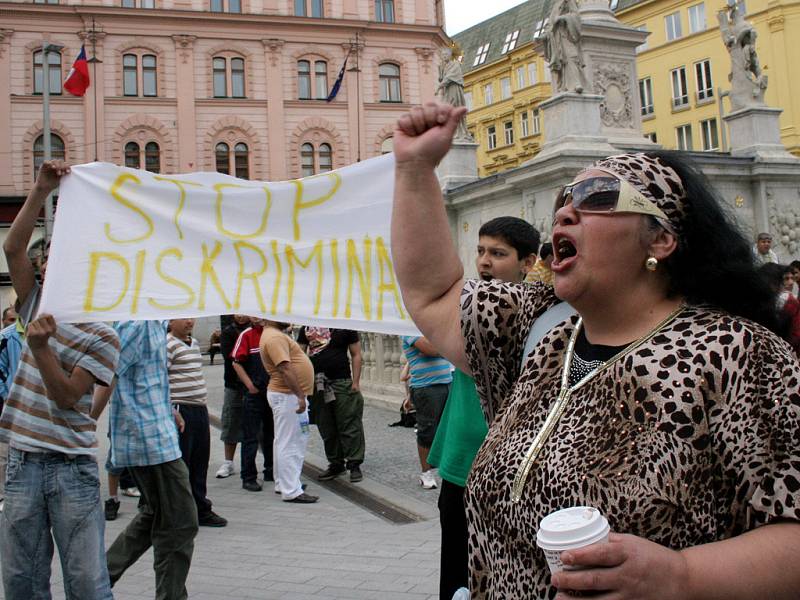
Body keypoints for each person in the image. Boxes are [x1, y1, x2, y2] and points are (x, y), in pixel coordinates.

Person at [391, 101, 800, 599]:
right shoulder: (537, 330)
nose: (565, 209)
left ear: (661, 239)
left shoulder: (739, 354)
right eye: (566, 198)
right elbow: (433, 294)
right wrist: (414, 169)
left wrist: (681, 576)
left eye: (598, 196)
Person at [0, 160, 121, 599]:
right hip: (23, 463)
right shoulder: (35, 303)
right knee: (21, 582)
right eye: (47, 258)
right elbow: (12, 249)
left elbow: (70, 397)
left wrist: (40, 349)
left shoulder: (102, 334)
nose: (48, 264)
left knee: (87, 583)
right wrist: (41, 189)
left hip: (71, 468)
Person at [427, 216, 539, 600]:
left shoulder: (542, 321)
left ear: (529, 263)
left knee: (506, 572)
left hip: (511, 469)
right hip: (462, 463)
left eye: (498, 253)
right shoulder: (466, 309)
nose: (484, 261)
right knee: (455, 572)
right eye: (480, 251)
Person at [103, 319, 198, 600]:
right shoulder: (139, 323)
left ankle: (95, 583)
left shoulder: (154, 323)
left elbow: (147, 376)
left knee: (154, 514)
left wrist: (170, 408)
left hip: (156, 433)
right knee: (180, 523)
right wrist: (86, 422)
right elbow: (107, 372)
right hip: (147, 439)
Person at [167, 318, 227, 527]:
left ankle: (200, 508)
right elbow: (160, 378)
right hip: (181, 409)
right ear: (170, 321)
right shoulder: (167, 345)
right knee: (183, 463)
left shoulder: (192, 344)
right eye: (184, 317)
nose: (190, 321)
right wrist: (170, 409)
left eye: (192, 316)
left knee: (200, 461)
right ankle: (180, 512)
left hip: (199, 408)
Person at [297, 327, 366, 483]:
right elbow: (299, 356)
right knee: (326, 424)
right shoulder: (306, 327)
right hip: (317, 383)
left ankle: (354, 463)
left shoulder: (343, 325)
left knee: (349, 422)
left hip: (342, 381)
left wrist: (355, 382)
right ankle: (336, 463)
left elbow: (356, 354)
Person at [260, 320, 318, 503]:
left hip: (285, 396)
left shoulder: (273, 334)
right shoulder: (274, 337)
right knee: (291, 443)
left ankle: (284, 482)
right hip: (288, 396)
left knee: (283, 441)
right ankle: (291, 490)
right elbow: (285, 368)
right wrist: (300, 396)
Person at [401, 335, 452, 490]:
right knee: (427, 431)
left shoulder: (430, 329)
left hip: (447, 382)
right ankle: (426, 473)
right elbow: (430, 349)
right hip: (426, 388)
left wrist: (438, 347)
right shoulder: (408, 330)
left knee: (447, 429)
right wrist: (443, 347)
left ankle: (445, 468)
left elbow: (439, 348)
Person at [232, 317, 274, 491]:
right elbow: (236, 362)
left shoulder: (274, 334)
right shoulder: (247, 335)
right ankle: (248, 476)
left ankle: (271, 469)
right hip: (254, 394)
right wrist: (249, 385)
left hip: (273, 392)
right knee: (250, 435)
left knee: (272, 434)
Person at [215, 314, 250, 478]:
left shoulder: (257, 330)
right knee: (230, 421)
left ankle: (265, 463)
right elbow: (230, 357)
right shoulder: (228, 332)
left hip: (255, 385)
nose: (242, 316)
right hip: (234, 385)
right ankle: (228, 462)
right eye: (239, 312)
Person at [543, 0, 587, 93]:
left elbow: (576, 15)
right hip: (557, 38)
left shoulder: (568, 1)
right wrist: (543, 36)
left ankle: (576, 83)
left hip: (567, 35)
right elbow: (549, 24)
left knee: (572, 56)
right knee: (562, 62)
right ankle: (564, 86)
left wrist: (563, 18)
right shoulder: (556, 5)